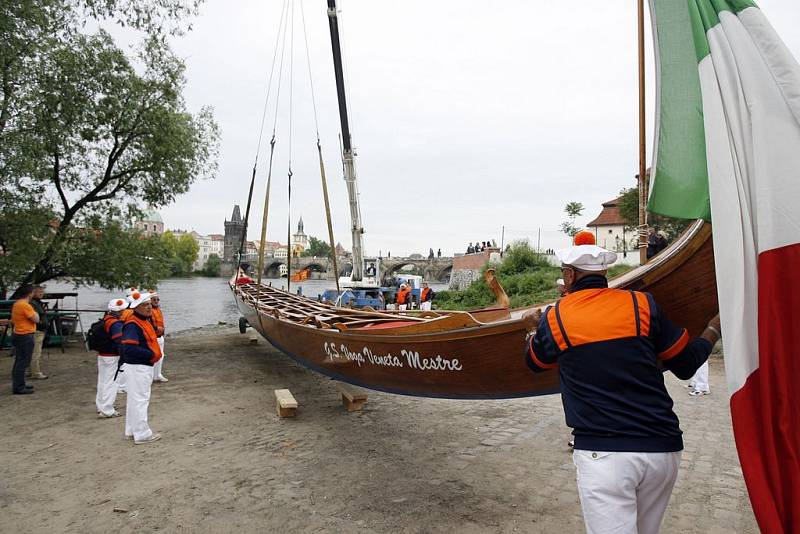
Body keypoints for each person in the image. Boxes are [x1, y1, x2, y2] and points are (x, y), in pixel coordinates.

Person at [523, 240, 720, 534]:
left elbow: (536, 362)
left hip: (605, 457)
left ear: (570, 277)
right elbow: (685, 364)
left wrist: (530, 330)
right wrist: (713, 329)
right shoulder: (642, 303)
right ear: (604, 273)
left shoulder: (557, 317)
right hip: (662, 452)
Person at [120, 291, 162, 444]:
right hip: (139, 367)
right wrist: (151, 354)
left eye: (149, 304)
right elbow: (129, 349)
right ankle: (142, 433)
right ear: (136, 307)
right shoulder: (133, 323)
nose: (149, 308)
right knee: (140, 400)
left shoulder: (142, 320)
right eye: (145, 305)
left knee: (134, 399)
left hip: (139, 366)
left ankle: (132, 430)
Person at [96, 298, 126, 418]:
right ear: (119, 311)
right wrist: (123, 355)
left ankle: (101, 406)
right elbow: (119, 340)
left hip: (102, 354)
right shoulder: (115, 323)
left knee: (102, 381)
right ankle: (107, 409)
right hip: (112, 356)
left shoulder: (105, 319)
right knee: (112, 383)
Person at [10, 285, 39, 395]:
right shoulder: (25, 305)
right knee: (23, 362)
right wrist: (36, 313)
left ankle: (19, 383)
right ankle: (19, 387)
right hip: (25, 334)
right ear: (30, 293)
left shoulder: (16, 304)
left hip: (18, 333)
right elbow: (36, 319)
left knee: (19, 360)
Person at [28, 285, 49, 380]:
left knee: (32, 352)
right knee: (36, 353)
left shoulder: (38, 303)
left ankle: (30, 370)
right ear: (33, 292)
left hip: (39, 330)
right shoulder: (33, 303)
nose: (41, 293)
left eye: (42, 292)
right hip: (37, 331)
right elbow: (32, 317)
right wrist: (41, 324)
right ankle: (35, 373)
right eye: (39, 292)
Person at [149, 291, 168, 383]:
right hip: (154, 337)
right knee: (153, 356)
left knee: (161, 355)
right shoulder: (149, 310)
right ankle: (151, 375)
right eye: (154, 299)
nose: (156, 301)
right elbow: (149, 324)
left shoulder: (158, 309)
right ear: (150, 300)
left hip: (160, 336)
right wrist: (157, 328)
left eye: (157, 299)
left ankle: (157, 375)